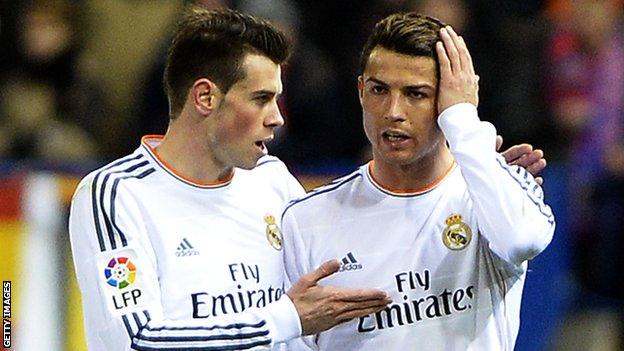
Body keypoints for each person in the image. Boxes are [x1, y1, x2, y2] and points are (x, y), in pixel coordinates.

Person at [68, 8, 393, 350]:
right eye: (262, 99)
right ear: (205, 97)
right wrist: (284, 319)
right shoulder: (115, 194)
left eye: (277, 99)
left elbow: (314, 318)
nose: (277, 118)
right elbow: (138, 340)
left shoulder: (273, 181)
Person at [281, 12, 555, 350]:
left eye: (416, 94)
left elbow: (519, 241)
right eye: (379, 89)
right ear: (361, 91)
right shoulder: (306, 220)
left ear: (449, 99)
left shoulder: (495, 196)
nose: (393, 110)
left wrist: (465, 123)